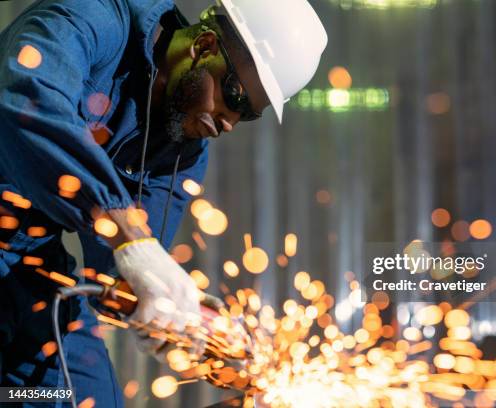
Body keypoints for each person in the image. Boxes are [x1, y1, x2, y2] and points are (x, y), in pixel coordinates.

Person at [0, 0, 327, 405]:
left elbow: (126, 266)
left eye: (249, 115)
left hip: (29, 268)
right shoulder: (94, 17)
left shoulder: (183, 149)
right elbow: (25, 105)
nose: (229, 122)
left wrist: (189, 323)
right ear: (205, 45)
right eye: (235, 96)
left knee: (85, 397)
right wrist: (127, 233)